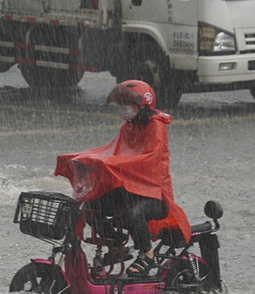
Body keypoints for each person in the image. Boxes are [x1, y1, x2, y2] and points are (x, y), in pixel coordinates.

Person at [54, 80, 191, 277]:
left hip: (154, 195)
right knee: (93, 206)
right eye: (120, 105)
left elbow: (147, 160)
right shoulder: (127, 127)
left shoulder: (156, 127)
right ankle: (118, 246)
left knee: (134, 214)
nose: (123, 110)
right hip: (131, 190)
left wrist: (111, 164)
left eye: (127, 105)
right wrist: (84, 158)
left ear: (143, 105)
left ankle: (147, 254)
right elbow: (112, 152)